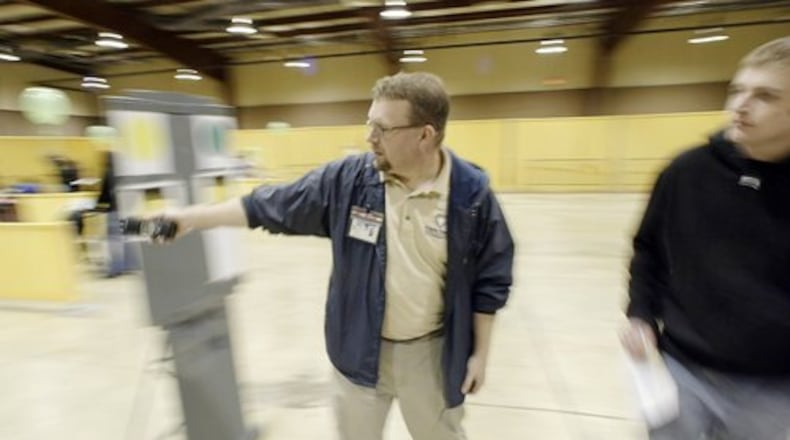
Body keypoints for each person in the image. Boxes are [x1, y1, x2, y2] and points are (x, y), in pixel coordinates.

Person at [157, 72, 514, 440]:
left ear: (425, 135)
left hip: (432, 357)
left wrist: (480, 355)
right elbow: (271, 204)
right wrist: (190, 219)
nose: (369, 137)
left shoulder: (471, 196)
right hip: (357, 350)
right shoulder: (349, 180)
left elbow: (492, 280)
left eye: (382, 128)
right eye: (369, 123)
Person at [621, 36, 790, 439]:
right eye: (737, 90)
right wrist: (641, 314)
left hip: (773, 390)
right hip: (679, 371)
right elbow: (647, 250)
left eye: (765, 95)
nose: (740, 106)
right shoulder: (686, 172)